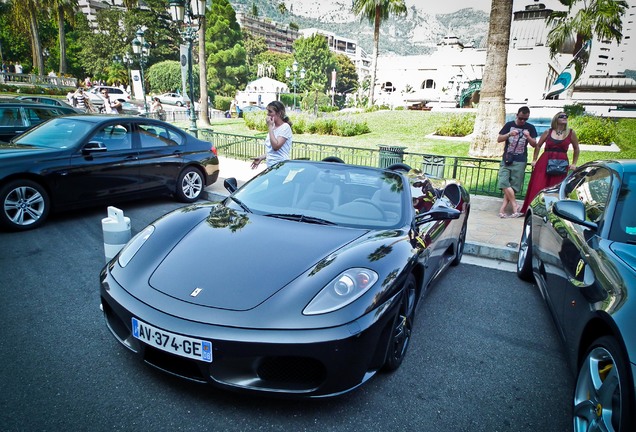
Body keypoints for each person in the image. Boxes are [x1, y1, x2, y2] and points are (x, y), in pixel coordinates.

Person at [520, 112, 580, 213]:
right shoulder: (548, 131)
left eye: (566, 116)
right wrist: (534, 159)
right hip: (545, 160)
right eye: (562, 116)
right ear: (556, 119)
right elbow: (538, 145)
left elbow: (576, 148)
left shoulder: (571, 133)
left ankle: (551, 212)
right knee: (538, 185)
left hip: (561, 162)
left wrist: (574, 163)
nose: (564, 118)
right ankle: (532, 210)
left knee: (556, 187)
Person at [496, 106, 538, 218]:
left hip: (520, 160)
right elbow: (499, 139)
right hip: (507, 159)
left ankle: (502, 210)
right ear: (517, 115)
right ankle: (515, 206)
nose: (523, 121)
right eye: (521, 118)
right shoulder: (509, 125)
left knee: (513, 186)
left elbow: (534, 144)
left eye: (525, 119)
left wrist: (528, 136)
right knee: (503, 182)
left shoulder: (530, 127)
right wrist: (509, 134)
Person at [251, 101, 293, 169]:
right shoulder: (272, 127)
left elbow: (276, 147)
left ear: (279, 113)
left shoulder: (285, 127)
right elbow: (272, 151)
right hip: (271, 166)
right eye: (267, 112)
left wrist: (270, 127)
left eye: (270, 112)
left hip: (280, 166)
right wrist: (261, 157)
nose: (268, 114)